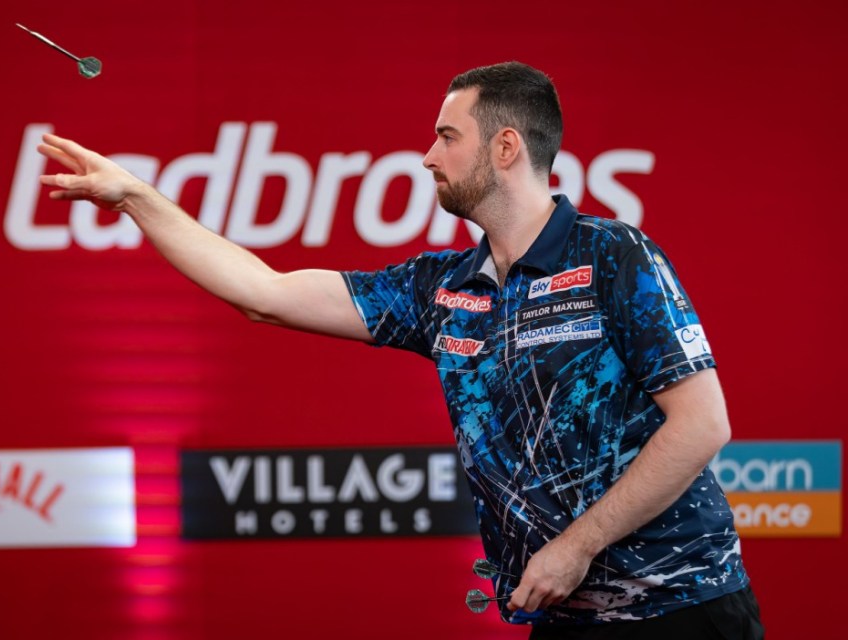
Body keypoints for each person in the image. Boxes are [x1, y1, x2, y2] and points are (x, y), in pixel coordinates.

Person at [38, 61, 763, 638]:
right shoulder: (442, 287)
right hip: (562, 619)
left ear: (505, 145)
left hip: (682, 609)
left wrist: (574, 547)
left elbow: (702, 425)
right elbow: (264, 292)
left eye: (447, 136)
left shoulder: (614, 256)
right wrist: (136, 198)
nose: (425, 157)